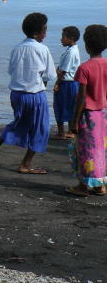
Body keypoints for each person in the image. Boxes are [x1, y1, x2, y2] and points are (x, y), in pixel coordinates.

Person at [0, 12, 55, 174]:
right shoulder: (42, 49)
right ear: (37, 32)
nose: (46, 33)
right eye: (45, 30)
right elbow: (50, 75)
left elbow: (11, 71)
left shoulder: (17, 48)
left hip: (16, 93)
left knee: (19, 122)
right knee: (41, 129)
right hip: (34, 94)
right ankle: (25, 164)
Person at [67, 24, 107, 196]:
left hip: (88, 115)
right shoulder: (105, 64)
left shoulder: (84, 68)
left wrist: (74, 120)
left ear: (87, 45)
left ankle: (83, 185)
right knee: (101, 148)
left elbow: (81, 99)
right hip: (104, 113)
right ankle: (99, 185)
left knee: (85, 149)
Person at [53, 26, 81, 140]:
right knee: (69, 106)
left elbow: (63, 71)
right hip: (70, 82)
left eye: (63, 37)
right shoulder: (71, 50)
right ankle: (67, 130)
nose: (61, 39)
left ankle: (64, 132)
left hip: (67, 83)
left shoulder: (71, 52)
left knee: (61, 106)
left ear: (71, 38)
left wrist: (57, 83)